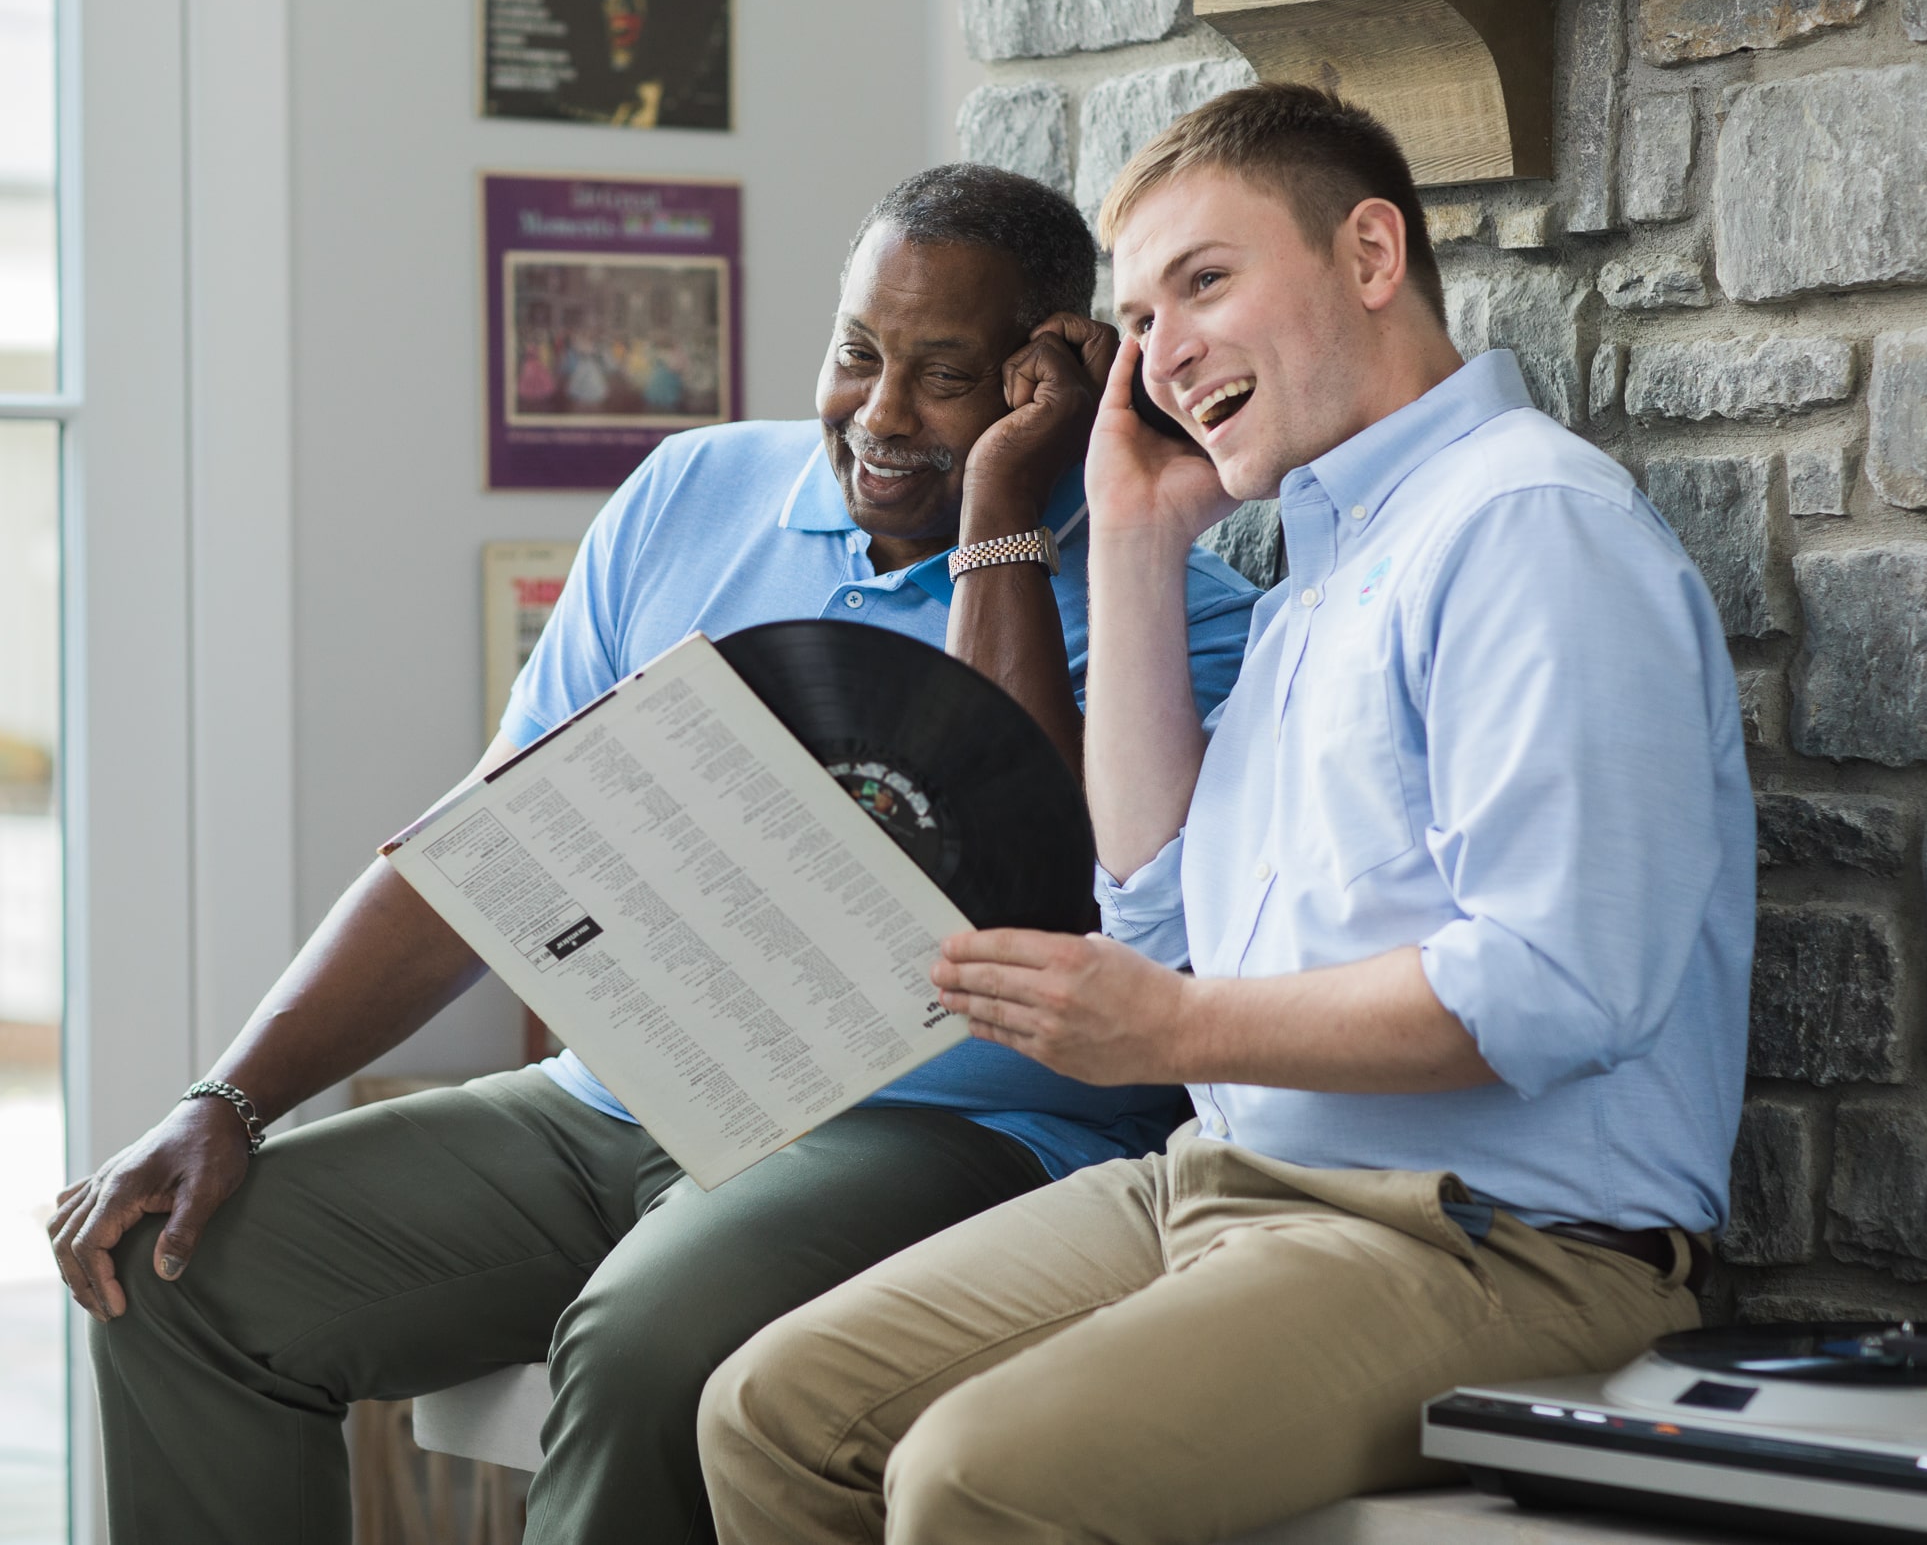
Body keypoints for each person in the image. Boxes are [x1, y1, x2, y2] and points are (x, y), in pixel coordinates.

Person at [48, 163, 1263, 1544]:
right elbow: (492, 854)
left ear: (1049, 381)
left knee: (645, 1349)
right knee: (180, 1270)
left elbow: (1024, 872)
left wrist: (1002, 514)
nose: (878, 415)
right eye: (857, 352)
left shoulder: (1178, 612)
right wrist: (231, 1097)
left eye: (945, 376)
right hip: (626, 1102)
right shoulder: (691, 493)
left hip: (956, 1133)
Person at [698, 85, 1755, 1545]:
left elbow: (1564, 985)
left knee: (975, 1480)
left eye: (1205, 282)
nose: (1164, 353)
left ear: (1372, 257)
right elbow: (1159, 906)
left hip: (1504, 1246)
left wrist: (1179, 1032)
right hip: (1231, 1185)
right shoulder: (1326, 554)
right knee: (773, 1412)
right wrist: (1132, 537)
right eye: (1139, 317)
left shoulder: (1528, 527)